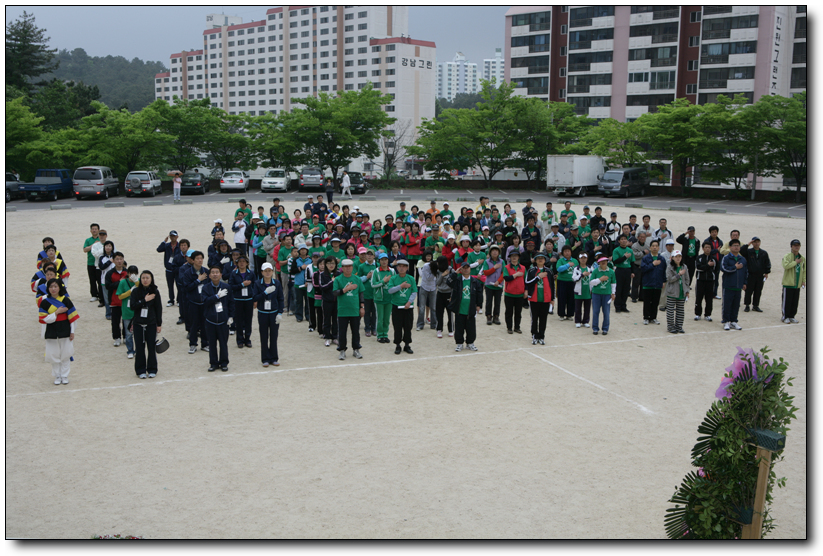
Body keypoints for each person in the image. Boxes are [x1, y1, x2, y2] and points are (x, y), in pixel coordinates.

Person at [38, 279, 78, 385]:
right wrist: (56, 313)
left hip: (65, 330)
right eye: (51, 287)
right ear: (48, 288)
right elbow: (43, 319)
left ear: (59, 287)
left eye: (55, 286)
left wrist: (72, 332)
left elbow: (72, 318)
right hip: (51, 331)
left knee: (66, 354)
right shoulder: (45, 302)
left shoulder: (66, 300)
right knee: (53, 355)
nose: (53, 289)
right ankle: (57, 375)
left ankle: (65, 375)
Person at [130, 270, 162, 379]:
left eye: (147, 278)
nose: (145, 280)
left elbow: (158, 308)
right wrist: (144, 300)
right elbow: (133, 306)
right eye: (143, 278)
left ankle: (152, 369)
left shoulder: (155, 291)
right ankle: (140, 370)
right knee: (139, 348)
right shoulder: (135, 292)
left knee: (151, 347)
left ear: (151, 279)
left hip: (151, 323)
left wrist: (159, 324)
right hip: (138, 323)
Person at [202, 264, 234, 372]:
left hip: (223, 321)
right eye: (213, 272)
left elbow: (231, 303)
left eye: (217, 272)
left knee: (223, 343)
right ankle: (213, 363)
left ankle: (224, 362)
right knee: (212, 344)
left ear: (220, 275)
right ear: (209, 275)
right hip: (210, 320)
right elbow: (205, 302)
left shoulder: (227, 287)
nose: (215, 274)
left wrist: (230, 316)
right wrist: (217, 296)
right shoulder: (206, 288)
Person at [447, 261, 483, 351]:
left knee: (471, 327)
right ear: (461, 269)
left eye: (467, 267)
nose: (466, 269)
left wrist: (479, 305)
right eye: (464, 268)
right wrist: (455, 273)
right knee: (459, 327)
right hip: (459, 308)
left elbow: (480, 294)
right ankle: (459, 343)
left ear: (470, 269)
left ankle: (470, 343)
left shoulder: (475, 281)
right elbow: (448, 281)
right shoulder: (457, 280)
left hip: (470, 309)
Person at [333, 259, 364, 360]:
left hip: (355, 309)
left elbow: (361, 293)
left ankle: (356, 349)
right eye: (346, 266)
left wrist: (362, 307)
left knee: (356, 331)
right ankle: (342, 350)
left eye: (350, 266)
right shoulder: (338, 279)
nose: (348, 268)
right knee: (342, 331)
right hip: (342, 310)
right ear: (342, 268)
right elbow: (335, 292)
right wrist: (347, 289)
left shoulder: (357, 279)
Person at [387, 259, 417, 354]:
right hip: (397, 307)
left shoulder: (411, 278)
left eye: (404, 266)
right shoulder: (393, 278)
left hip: (408, 308)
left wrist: (409, 302)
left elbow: (414, 291)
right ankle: (398, 345)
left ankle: (407, 344)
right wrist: (401, 286)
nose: (401, 268)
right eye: (399, 266)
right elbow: (390, 290)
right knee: (397, 327)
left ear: (407, 268)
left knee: (408, 327)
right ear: (397, 267)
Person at [182, 251, 209, 354]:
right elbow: (187, 288)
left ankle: (205, 344)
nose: (200, 260)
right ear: (192, 260)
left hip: (204, 303)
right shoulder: (188, 273)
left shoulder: (206, 271)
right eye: (197, 258)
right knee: (194, 325)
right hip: (193, 303)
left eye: (201, 258)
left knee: (204, 324)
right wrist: (198, 280)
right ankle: (193, 344)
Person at [525, 252, 554, 344]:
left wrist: (552, 299)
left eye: (542, 258)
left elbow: (552, 286)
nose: (540, 259)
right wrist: (538, 277)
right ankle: (534, 335)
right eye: (538, 258)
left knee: (543, 318)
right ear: (535, 260)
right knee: (534, 318)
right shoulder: (531, 271)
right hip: (534, 298)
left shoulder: (549, 271)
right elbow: (527, 283)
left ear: (545, 260)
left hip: (546, 299)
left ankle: (541, 336)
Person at [720, 238, 747, 331]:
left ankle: (734, 321)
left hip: (738, 286)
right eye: (734, 246)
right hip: (728, 285)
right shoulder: (726, 258)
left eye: (738, 246)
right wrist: (734, 267)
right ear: (730, 247)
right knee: (727, 304)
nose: (736, 247)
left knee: (736, 304)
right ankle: (726, 321)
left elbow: (745, 272)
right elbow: (724, 268)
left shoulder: (742, 259)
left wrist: (744, 283)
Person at [229, 255, 255, 349]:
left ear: (247, 263)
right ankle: (239, 340)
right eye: (240, 261)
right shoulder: (234, 273)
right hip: (238, 300)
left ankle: (247, 339)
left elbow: (255, 286)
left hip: (248, 299)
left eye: (244, 261)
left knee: (248, 320)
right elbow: (231, 286)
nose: (242, 263)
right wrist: (241, 285)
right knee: (238, 321)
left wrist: (254, 299)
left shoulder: (251, 273)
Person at [640, 239, 667, 325]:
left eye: (656, 246)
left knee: (655, 302)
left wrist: (663, 281)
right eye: (653, 246)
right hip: (648, 283)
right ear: (650, 247)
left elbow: (664, 271)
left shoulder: (662, 259)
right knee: (647, 302)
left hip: (658, 283)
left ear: (659, 248)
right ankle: (646, 317)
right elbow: (643, 269)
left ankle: (653, 317)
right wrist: (653, 264)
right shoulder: (645, 258)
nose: (655, 247)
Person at [105, 252, 129, 347]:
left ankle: (126, 337)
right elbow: (108, 286)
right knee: (115, 321)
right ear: (113, 261)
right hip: (114, 301)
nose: (119, 261)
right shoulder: (109, 273)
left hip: (125, 301)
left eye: (121, 259)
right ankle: (117, 338)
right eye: (117, 259)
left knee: (126, 320)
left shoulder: (127, 272)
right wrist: (119, 282)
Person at [370, 252, 395, 343]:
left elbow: (394, 283)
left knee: (387, 318)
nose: (384, 261)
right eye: (382, 260)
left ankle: (385, 334)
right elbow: (373, 285)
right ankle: (380, 335)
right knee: (380, 318)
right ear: (379, 261)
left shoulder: (392, 271)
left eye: (385, 259)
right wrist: (383, 281)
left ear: (388, 260)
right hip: (379, 298)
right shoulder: (376, 271)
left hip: (389, 298)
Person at [115, 265, 139, 359]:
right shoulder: (123, 283)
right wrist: (130, 291)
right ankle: (130, 350)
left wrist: (137, 283)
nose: (132, 275)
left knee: (138, 333)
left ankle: (138, 350)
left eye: (134, 273)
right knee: (128, 333)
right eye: (131, 273)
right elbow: (120, 296)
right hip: (127, 311)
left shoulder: (139, 281)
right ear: (128, 273)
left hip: (137, 311)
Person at [743, 236, 771, 313]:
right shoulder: (749, 252)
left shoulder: (764, 253)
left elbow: (767, 263)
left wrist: (766, 272)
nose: (756, 243)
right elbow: (742, 251)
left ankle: (755, 305)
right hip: (751, 274)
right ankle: (747, 305)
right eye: (755, 242)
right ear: (752, 243)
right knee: (749, 290)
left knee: (758, 291)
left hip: (760, 275)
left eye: (758, 242)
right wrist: (748, 244)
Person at [501, 250, 527, 334]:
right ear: (510, 258)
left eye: (516, 256)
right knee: (509, 311)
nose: (514, 257)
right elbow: (506, 278)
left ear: (519, 257)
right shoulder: (506, 267)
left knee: (518, 312)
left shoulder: (523, 268)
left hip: (520, 294)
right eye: (512, 256)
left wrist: (526, 291)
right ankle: (509, 327)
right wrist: (515, 275)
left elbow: (526, 280)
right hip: (509, 293)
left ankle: (517, 327)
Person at [780, 239, 805, 324]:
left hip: (797, 284)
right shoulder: (787, 256)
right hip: (788, 283)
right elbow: (786, 266)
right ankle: (785, 316)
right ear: (791, 246)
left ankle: (792, 316)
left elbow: (804, 270)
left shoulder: (802, 258)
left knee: (795, 301)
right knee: (787, 301)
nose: (796, 247)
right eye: (795, 245)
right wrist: (795, 262)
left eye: (798, 245)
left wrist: (803, 281)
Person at [665, 250, 690, 334]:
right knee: (670, 311)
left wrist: (687, 291)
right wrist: (678, 275)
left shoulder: (684, 267)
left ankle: (679, 326)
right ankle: (671, 327)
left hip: (681, 292)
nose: (678, 258)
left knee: (680, 311)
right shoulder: (669, 267)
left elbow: (687, 280)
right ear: (672, 258)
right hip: (672, 292)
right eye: (676, 256)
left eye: (679, 256)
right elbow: (669, 279)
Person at [590, 257, 616, 336]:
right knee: (595, 311)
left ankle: (605, 328)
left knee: (606, 312)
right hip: (596, 294)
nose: (603, 262)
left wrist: (613, 293)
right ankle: (595, 328)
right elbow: (591, 282)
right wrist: (600, 279)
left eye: (605, 261)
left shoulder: (611, 272)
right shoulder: (595, 271)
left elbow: (613, 283)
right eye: (601, 261)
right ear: (598, 263)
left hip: (607, 294)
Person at [318, 256, 340, 346]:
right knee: (327, 320)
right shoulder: (322, 275)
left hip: (337, 301)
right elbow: (322, 287)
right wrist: (331, 282)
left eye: (333, 263)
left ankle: (334, 337)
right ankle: (327, 337)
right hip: (327, 301)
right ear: (326, 264)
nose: (331, 265)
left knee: (336, 320)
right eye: (329, 263)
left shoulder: (338, 274)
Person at [156, 231, 181, 308]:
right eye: (171, 236)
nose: (173, 237)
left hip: (177, 269)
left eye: (174, 236)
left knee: (179, 285)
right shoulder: (167, 246)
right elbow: (158, 249)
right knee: (170, 286)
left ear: (177, 237)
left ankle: (179, 300)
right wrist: (164, 241)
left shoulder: (180, 245)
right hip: (169, 269)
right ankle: (171, 300)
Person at [611, 235, 635, 313]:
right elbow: (615, 261)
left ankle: (623, 306)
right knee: (619, 289)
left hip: (627, 270)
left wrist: (632, 272)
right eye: (622, 239)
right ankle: (617, 306)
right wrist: (624, 257)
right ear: (619, 241)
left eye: (625, 239)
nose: (624, 241)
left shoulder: (630, 250)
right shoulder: (616, 250)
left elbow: (632, 262)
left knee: (626, 289)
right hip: (619, 270)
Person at [693, 242, 717, 322]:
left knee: (709, 298)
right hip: (700, 280)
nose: (707, 249)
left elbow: (716, 269)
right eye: (706, 247)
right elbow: (699, 268)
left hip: (710, 281)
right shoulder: (699, 258)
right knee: (699, 297)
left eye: (709, 247)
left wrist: (707, 267)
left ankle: (708, 314)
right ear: (703, 248)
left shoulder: (714, 259)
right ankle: (697, 314)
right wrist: (707, 265)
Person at [481, 245, 504, 326]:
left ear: (499, 253)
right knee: (489, 301)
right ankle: (489, 316)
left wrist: (498, 281)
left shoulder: (502, 261)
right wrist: (494, 268)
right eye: (493, 250)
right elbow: (485, 272)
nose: (495, 252)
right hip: (489, 285)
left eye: (496, 251)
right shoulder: (486, 261)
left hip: (499, 286)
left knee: (497, 302)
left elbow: (503, 273)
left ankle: (496, 316)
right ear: (490, 252)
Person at [416, 250, 438, 331]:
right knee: (421, 307)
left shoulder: (436, 266)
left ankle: (434, 324)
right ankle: (420, 325)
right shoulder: (425, 265)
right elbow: (428, 277)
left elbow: (436, 278)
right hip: (424, 287)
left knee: (433, 307)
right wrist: (435, 272)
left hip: (433, 288)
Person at [554, 245, 577, 321]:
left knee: (571, 298)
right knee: (562, 298)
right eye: (565, 251)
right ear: (563, 253)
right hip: (562, 281)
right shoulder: (560, 261)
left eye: (568, 251)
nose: (567, 253)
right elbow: (559, 269)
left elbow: (578, 270)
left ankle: (570, 314)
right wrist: (568, 265)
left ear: (571, 252)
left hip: (572, 282)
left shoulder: (575, 261)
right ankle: (561, 314)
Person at [83, 223, 102, 303]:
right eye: (93, 229)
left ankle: (101, 295)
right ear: (90, 230)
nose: (94, 230)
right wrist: (93, 245)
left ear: (98, 230)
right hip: (90, 263)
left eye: (96, 229)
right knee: (92, 280)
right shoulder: (88, 240)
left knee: (100, 280)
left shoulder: (101, 239)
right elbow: (85, 249)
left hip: (99, 263)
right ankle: (94, 295)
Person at [631, 231, 649, 303]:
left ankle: (642, 297)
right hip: (637, 266)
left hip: (644, 266)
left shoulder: (647, 246)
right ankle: (634, 297)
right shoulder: (634, 246)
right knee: (636, 282)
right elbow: (635, 255)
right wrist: (643, 253)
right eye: (641, 237)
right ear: (638, 237)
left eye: (644, 237)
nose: (642, 238)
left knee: (643, 282)